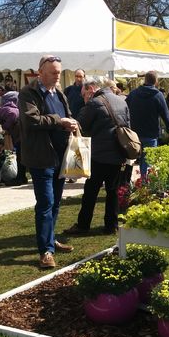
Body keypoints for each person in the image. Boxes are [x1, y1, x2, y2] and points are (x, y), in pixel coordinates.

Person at [18, 55, 78, 269]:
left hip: (60, 156)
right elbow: (31, 119)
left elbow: (66, 114)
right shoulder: (28, 93)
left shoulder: (59, 93)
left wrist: (71, 122)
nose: (57, 76)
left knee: (55, 203)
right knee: (45, 203)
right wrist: (59, 121)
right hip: (41, 157)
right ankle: (45, 251)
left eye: (59, 72)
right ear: (40, 72)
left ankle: (50, 240)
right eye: (53, 72)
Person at [65, 77, 129, 236]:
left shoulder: (94, 103)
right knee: (112, 191)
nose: (84, 96)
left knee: (91, 191)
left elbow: (81, 126)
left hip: (99, 155)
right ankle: (111, 225)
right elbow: (127, 124)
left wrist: (86, 105)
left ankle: (83, 224)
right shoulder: (121, 101)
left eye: (84, 92)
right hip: (118, 153)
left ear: (91, 88)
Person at [126, 70, 169, 178]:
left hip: (134, 133)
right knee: (149, 159)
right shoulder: (158, 95)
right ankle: (145, 182)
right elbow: (165, 114)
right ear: (156, 81)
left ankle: (127, 182)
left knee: (131, 159)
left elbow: (124, 108)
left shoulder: (133, 93)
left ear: (144, 80)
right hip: (151, 133)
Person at [0, 90, 27, 185]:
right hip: (21, 135)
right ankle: (22, 177)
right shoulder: (15, 107)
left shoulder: (4, 109)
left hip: (19, 135)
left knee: (21, 157)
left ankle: (20, 178)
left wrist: (5, 127)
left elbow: (13, 115)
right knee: (22, 156)